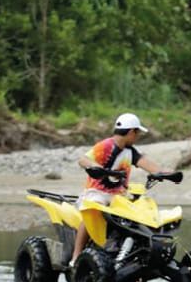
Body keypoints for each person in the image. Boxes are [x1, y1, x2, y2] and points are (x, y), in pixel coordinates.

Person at [69, 113, 171, 266]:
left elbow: (149, 165)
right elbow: (83, 159)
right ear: (131, 132)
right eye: (137, 133)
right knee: (91, 211)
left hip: (120, 195)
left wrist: (165, 173)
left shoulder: (131, 151)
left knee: (140, 212)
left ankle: (131, 249)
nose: (138, 137)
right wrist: (95, 167)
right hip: (98, 192)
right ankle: (76, 257)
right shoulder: (106, 146)